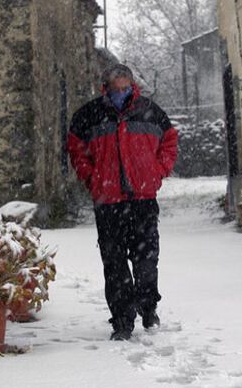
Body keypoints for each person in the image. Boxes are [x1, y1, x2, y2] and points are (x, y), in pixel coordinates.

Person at [67, 64, 178, 341]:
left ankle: (148, 306)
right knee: (114, 264)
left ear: (132, 86)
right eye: (115, 88)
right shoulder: (88, 115)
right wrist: (92, 179)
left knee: (146, 260)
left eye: (124, 88)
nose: (120, 92)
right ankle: (122, 320)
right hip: (108, 203)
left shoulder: (150, 111)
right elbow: (76, 150)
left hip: (142, 200)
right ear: (106, 87)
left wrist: (157, 171)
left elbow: (170, 141)